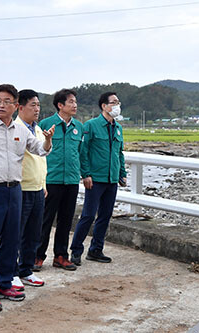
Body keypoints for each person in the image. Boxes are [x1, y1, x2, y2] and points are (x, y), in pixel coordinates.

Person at [0, 84, 54, 312]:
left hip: (15, 191)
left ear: (15, 105)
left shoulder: (21, 130)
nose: (1, 105)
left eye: (6, 101)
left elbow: (39, 150)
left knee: (12, 239)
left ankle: (6, 282)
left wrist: (47, 140)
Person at [70, 92, 127, 266]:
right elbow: (83, 151)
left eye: (118, 102)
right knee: (88, 215)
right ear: (104, 106)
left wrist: (122, 173)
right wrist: (85, 174)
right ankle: (76, 250)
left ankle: (96, 250)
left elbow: (119, 153)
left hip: (111, 179)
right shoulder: (91, 125)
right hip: (95, 179)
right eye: (113, 102)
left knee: (105, 216)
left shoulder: (118, 127)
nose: (117, 105)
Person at [34, 89, 83, 271]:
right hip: (51, 180)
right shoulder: (46, 124)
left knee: (66, 220)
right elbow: (38, 152)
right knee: (45, 219)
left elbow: (80, 153)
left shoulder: (79, 127)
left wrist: (82, 173)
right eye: (71, 102)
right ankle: (37, 256)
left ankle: (61, 256)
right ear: (60, 105)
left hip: (71, 180)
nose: (74, 105)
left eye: (75, 102)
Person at [11, 90, 47, 291]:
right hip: (21, 188)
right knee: (16, 233)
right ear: (20, 107)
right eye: (33, 105)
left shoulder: (38, 129)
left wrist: (44, 184)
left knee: (34, 233)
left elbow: (42, 157)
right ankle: (12, 271)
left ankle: (26, 269)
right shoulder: (15, 128)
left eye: (38, 105)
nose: (37, 109)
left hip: (37, 188)